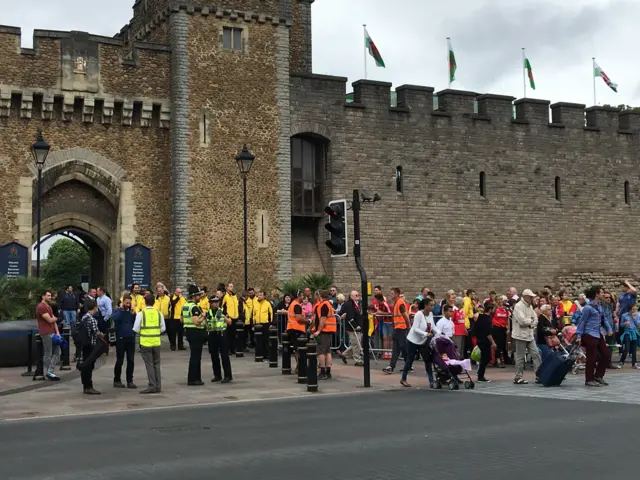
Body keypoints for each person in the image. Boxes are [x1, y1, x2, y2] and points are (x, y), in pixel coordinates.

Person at [577, 285, 613, 387]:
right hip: (589, 334)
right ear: (596, 294)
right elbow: (582, 322)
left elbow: (604, 318)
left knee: (606, 354)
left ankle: (598, 376)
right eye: (601, 292)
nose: (603, 294)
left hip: (598, 333)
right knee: (591, 358)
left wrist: (609, 328)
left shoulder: (599, 306)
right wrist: (579, 335)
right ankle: (589, 379)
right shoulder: (588, 308)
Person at [400, 298, 438, 388]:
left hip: (423, 341)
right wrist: (426, 333)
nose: (432, 307)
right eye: (431, 305)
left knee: (427, 360)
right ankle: (403, 378)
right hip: (412, 341)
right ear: (425, 306)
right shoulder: (419, 314)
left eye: (433, 305)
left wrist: (440, 334)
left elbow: (433, 326)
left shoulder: (431, 314)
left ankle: (431, 380)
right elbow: (415, 328)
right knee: (410, 360)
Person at [133, 293, 166, 394]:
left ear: (144, 302)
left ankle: (152, 385)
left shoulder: (141, 314)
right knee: (157, 364)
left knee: (149, 364)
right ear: (154, 302)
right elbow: (163, 328)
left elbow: (136, 328)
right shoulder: (159, 313)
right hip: (156, 342)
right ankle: (158, 385)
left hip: (145, 342)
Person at [511, 289, 541, 385]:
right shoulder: (518, 306)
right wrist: (531, 322)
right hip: (520, 335)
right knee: (520, 356)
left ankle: (539, 375)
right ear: (525, 297)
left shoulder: (530, 306)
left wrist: (530, 323)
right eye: (531, 296)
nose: (532, 298)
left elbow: (535, 318)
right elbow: (522, 321)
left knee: (536, 354)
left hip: (529, 334)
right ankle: (518, 377)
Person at [183, 285, 207, 386]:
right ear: (193, 296)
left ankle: (192, 378)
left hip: (188, 332)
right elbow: (196, 322)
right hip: (195, 332)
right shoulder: (194, 307)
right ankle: (194, 379)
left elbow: (181, 319)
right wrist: (203, 316)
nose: (199, 297)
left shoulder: (185, 305)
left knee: (194, 356)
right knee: (196, 357)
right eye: (197, 295)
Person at [383, 287, 411, 374]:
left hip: (401, 328)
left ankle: (408, 365)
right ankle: (392, 366)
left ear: (396, 294)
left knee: (403, 348)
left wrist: (408, 326)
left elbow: (405, 315)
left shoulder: (400, 303)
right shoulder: (396, 303)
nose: (391, 295)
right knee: (397, 349)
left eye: (392, 293)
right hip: (397, 328)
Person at [112, 294, 137, 389]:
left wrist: (134, 314)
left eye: (129, 303)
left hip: (130, 338)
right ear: (122, 302)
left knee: (131, 360)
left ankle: (130, 380)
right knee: (120, 360)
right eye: (126, 303)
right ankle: (117, 380)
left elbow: (136, 322)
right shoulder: (117, 311)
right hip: (121, 339)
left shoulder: (131, 312)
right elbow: (114, 318)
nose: (128, 304)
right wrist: (121, 309)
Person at [78, 299, 103, 395]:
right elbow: (96, 332)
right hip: (90, 344)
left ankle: (85, 386)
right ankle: (89, 386)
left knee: (85, 364)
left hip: (84, 344)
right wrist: (101, 334)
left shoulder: (84, 317)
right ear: (95, 307)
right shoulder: (91, 319)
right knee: (88, 365)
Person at [206, 296, 233, 383]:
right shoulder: (208, 312)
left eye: (217, 302)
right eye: (215, 302)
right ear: (211, 303)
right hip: (212, 335)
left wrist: (223, 317)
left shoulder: (222, 311)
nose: (217, 303)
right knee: (214, 356)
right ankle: (217, 375)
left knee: (224, 356)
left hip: (221, 334)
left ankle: (228, 376)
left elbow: (230, 322)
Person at [311, 290, 336, 379]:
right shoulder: (328, 304)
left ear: (320, 295)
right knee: (327, 351)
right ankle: (328, 372)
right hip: (329, 330)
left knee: (320, 351)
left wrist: (318, 330)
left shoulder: (323, 305)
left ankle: (323, 372)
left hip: (325, 330)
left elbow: (323, 319)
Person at [36, 290, 61, 381]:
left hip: (53, 332)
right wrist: (55, 318)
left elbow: (53, 321)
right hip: (45, 333)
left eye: (50, 296)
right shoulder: (41, 307)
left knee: (57, 352)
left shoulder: (48, 307)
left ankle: (50, 371)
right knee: (48, 353)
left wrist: (57, 332)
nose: (50, 297)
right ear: (43, 296)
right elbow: (50, 320)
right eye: (48, 295)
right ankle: (49, 372)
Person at [338, 290, 364, 366]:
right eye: (356, 295)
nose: (358, 296)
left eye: (358, 295)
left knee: (355, 343)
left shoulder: (356, 304)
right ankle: (357, 360)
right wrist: (356, 326)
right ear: (352, 296)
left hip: (357, 326)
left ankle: (344, 355)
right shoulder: (349, 304)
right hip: (352, 327)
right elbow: (350, 317)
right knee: (356, 344)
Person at [473, 302, 497, 383]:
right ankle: (480, 375)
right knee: (485, 358)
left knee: (486, 358)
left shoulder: (480, 317)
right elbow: (488, 333)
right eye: (493, 309)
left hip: (480, 340)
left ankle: (480, 373)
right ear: (490, 310)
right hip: (485, 341)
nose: (494, 311)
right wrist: (493, 342)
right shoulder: (487, 319)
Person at [286, 290, 308, 373]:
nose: (303, 297)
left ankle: (299, 366)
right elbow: (299, 318)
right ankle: (300, 367)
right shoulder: (296, 305)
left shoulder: (294, 304)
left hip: (292, 328)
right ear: (298, 296)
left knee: (297, 349)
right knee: (298, 349)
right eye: (302, 295)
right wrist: (308, 321)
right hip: (296, 329)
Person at [619, 304, 640, 369]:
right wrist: (625, 324)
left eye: (635, 309)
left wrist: (634, 319)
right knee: (627, 348)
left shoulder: (637, 315)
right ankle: (621, 362)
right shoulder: (624, 315)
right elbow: (621, 325)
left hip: (634, 332)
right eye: (633, 309)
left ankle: (634, 364)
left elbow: (638, 325)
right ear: (630, 310)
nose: (634, 311)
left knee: (634, 349)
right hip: (627, 333)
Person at [222, 283, 239, 355]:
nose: (231, 288)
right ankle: (228, 349)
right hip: (229, 318)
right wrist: (226, 315)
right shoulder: (225, 296)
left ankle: (233, 349)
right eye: (230, 286)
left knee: (233, 335)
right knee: (228, 335)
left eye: (232, 286)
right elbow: (222, 306)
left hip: (235, 317)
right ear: (227, 288)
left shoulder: (234, 296)